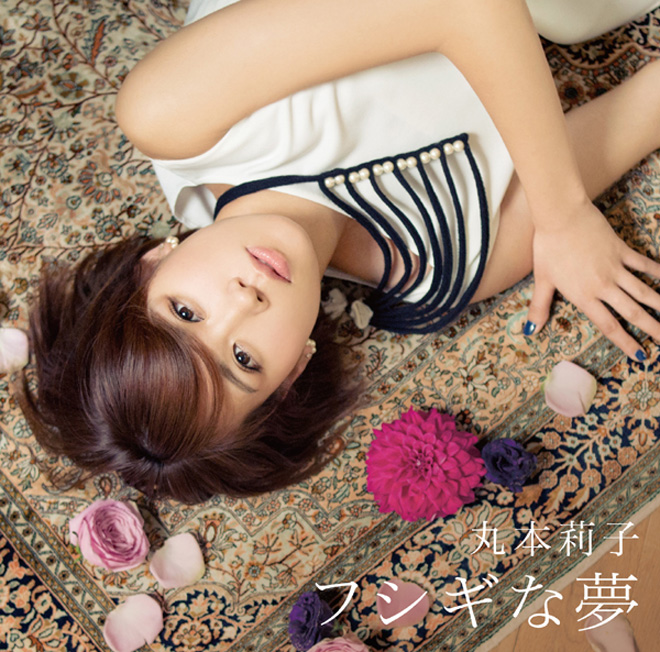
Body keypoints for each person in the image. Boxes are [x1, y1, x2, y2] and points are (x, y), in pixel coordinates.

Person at [20, 0, 660, 503]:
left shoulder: (171, 114)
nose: (243, 302)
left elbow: (467, 5)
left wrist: (564, 215)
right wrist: (560, 217)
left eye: (185, 312)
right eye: (243, 359)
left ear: (153, 264)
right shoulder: (443, 262)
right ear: (293, 372)